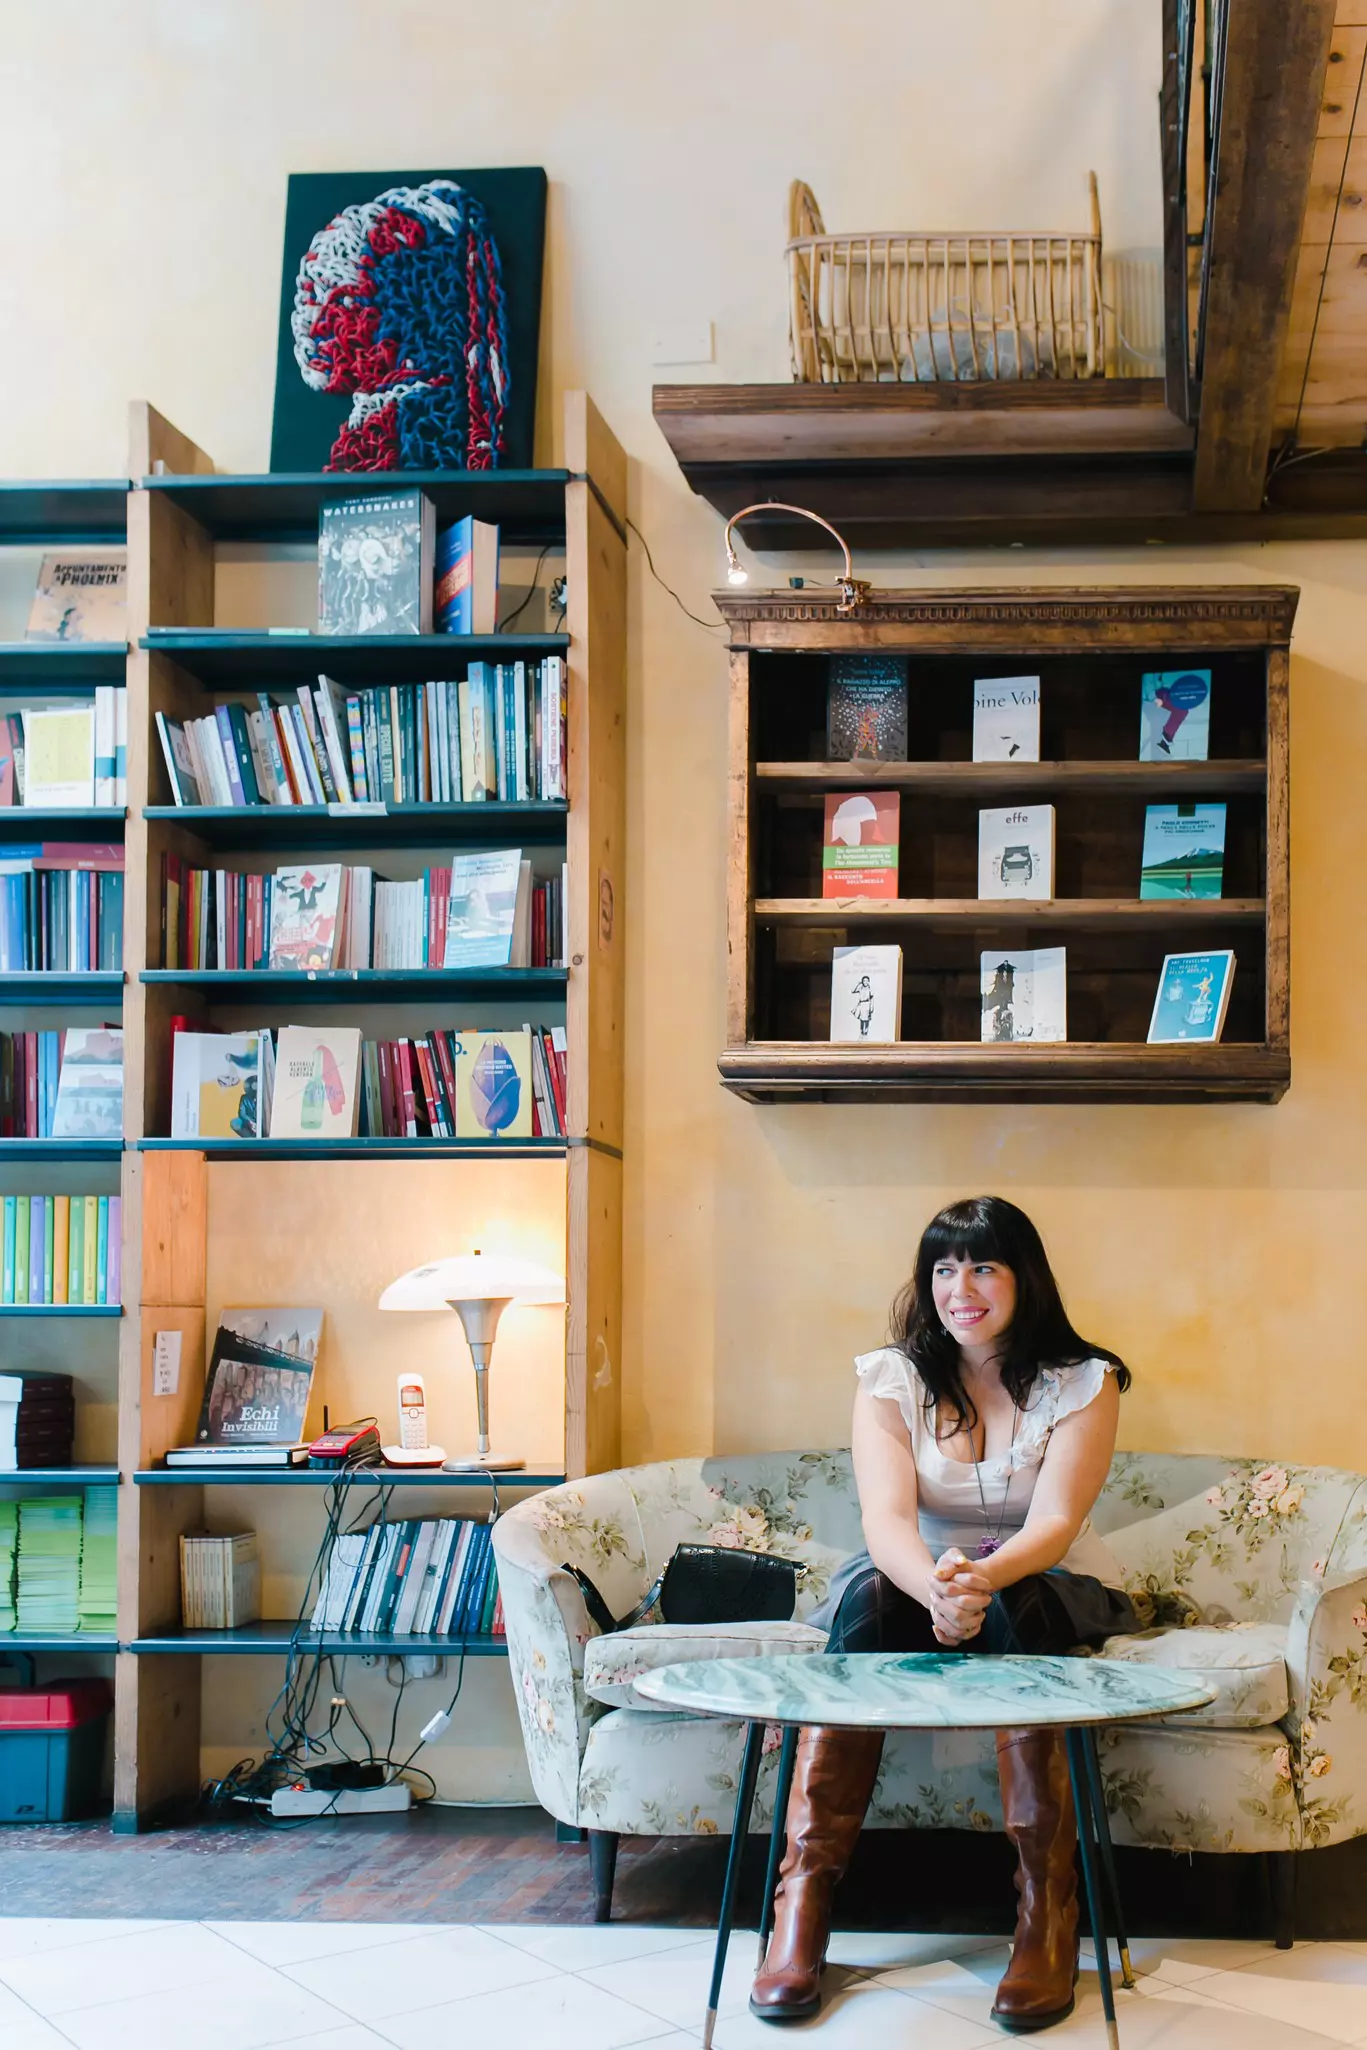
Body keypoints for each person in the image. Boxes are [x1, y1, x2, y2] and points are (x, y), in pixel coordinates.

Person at [751, 1195, 1137, 2035]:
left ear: (1023, 1278)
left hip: (1040, 1581)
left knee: (1021, 1603)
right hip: (915, 1578)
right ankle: (800, 1909)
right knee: (859, 1595)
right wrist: (935, 1588)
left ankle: (1046, 1915)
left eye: (983, 1266)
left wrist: (979, 1582)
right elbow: (885, 1524)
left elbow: (1053, 1526)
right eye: (942, 1268)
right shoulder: (890, 1377)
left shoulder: (1085, 1380)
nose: (960, 1288)